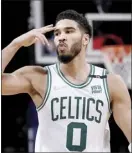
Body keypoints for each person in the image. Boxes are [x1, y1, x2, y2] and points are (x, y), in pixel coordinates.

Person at [2, 10, 131, 152]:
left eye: (69, 31)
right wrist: (16, 44)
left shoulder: (110, 83)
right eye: (57, 33)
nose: (61, 37)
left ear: (85, 39)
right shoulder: (40, 77)